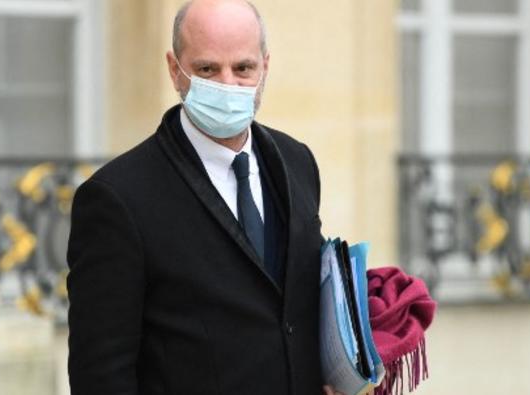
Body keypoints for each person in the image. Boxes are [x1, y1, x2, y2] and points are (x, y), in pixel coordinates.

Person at [67, 1, 350, 394]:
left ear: (264, 66)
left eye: (243, 68)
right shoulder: (117, 198)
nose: (227, 85)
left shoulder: (297, 161)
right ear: (174, 69)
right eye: (207, 69)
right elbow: (100, 374)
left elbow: (295, 310)